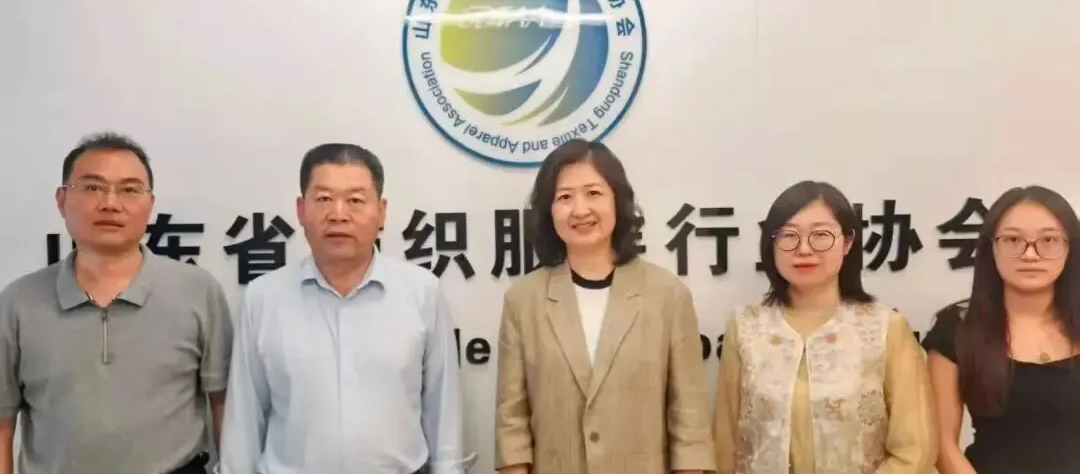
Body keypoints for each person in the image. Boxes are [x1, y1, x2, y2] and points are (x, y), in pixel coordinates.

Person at [219, 143, 465, 474]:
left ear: (381, 211)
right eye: (323, 199)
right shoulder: (263, 298)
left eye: (355, 200)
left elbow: (443, 410)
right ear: (301, 209)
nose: (338, 214)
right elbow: (244, 420)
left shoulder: (422, 292)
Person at [0, 132, 233, 474]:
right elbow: (3, 420)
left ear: (150, 204)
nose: (110, 203)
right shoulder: (18, 302)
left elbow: (223, 404)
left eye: (129, 190)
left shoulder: (197, 290)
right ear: (62, 199)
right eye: (93, 187)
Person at [495, 139, 714, 474]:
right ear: (548, 211)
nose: (580, 209)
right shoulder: (523, 301)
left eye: (594, 193)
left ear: (618, 201)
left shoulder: (667, 296)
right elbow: (512, 425)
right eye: (564, 197)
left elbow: (690, 425)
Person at [713, 180, 937, 474]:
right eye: (789, 236)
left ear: (847, 243)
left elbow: (915, 449)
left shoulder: (885, 328)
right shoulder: (745, 326)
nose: (804, 249)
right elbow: (725, 440)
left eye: (821, 235)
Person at [922, 185, 1080, 474]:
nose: (1030, 254)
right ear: (990, 248)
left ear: (1071, 248)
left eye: (1049, 240)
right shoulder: (956, 328)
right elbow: (941, 444)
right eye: (1012, 240)